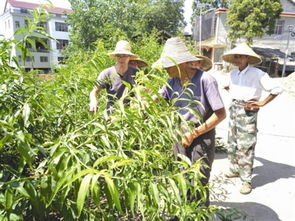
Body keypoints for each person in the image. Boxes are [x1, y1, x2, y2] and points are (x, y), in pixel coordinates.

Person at [154, 37, 226, 206]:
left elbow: (220, 114)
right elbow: (154, 99)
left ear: (180, 64)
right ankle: (182, 212)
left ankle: (198, 214)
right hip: (179, 134)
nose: (165, 69)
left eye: (168, 65)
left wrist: (194, 133)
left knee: (199, 179)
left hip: (201, 135)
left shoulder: (205, 80)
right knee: (180, 176)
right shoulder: (171, 81)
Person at [222, 43, 283, 194]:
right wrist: (234, 93)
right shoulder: (233, 74)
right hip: (234, 109)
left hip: (247, 111)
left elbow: (277, 88)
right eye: (235, 56)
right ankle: (235, 169)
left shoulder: (258, 74)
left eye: (240, 56)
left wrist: (261, 102)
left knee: (246, 146)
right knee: (232, 142)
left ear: (248, 58)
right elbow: (227, 86)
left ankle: (246, 180)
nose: (237, 59)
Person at [89, 40, 139, 113]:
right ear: (115, 56)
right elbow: (94, 91)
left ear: (129, 57)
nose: (121, 59)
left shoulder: (136, 72)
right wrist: (93, 101)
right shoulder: (107, 73)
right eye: (119, 56)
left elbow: (145, 91)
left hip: (131, 112)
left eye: (124, 56)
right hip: (112, 112)